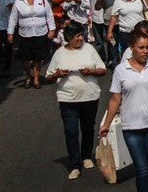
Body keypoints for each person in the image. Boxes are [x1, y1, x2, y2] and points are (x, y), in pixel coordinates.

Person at [100, 29, 148, 192]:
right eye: (141, 48)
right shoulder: (121, 70)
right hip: (132, 128)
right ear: (131, 47)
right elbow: (115, 99)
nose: (145, 51)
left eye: (147, 47)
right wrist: (106, 125)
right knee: (142, 170)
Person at [45, 21, 107, 180]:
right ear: (68, 38)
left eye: (81, 35)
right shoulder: (59, 53)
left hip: (89, 97)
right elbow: (49, 77)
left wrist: (90, 71)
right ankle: (74, 164)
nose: (81, 39)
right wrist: (57, 74)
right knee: (71, 131)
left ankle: (86, 156)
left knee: (87, 128)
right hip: (67, 99)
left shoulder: (89, 49)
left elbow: (102, 69)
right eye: (77, 36)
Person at [7, 0, 56, 89]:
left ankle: (36, 79)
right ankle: (28, 76)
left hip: (40, 33)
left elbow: (49, 15)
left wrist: (52, 30)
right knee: (26, 59)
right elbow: (13, 18)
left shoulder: (42, 0)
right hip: (25, 34)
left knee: (37, 58)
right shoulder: (19, 2)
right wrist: (10, 33)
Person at [107, 0, 145, 64]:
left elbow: (146, 12)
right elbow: (113, 17)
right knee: (127, 54)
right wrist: (109, 32)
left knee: (140, 52)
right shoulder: (118, 1)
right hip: (125, 33)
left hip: (140, 33)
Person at [95, 0, 122, 68]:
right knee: (112, 43)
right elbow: (96, 7)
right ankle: (114, 62)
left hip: (121, 22)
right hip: (109, 23)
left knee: (121, 43)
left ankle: (120, 61)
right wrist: (101, 2)